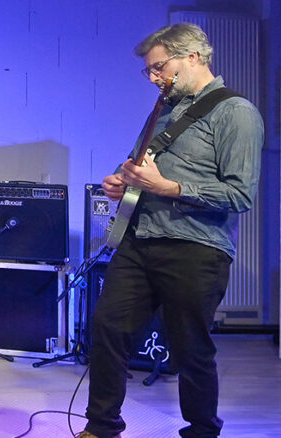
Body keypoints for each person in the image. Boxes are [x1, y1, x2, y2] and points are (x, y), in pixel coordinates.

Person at [80, 23, 262, 438]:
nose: (153, 77)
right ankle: (101, 427)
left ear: (192, 57)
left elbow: (239, 194)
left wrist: (169, 188)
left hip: (196, 246)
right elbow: (137, 162)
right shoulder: (163, 109)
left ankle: (202, 431)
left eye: (158, 67)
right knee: (107, 328)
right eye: (148, 70)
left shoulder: (237, 112)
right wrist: (119, 179)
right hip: (139, 239)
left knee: (189, 348)